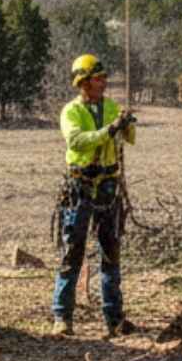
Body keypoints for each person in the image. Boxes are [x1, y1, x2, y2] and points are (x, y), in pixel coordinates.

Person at [52, 54, 136, 338]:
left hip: (108, 187)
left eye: (103, 78)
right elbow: (76, 140)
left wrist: (127, 124)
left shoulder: (111, 107)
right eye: (98, 79)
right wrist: (109, 130)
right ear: (84, 82)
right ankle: (62, 317)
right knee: (72, 251)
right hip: (81, 186)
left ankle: (114, 318)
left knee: (111, 253)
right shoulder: (71, 112)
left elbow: (130, 139)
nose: (104, 83)